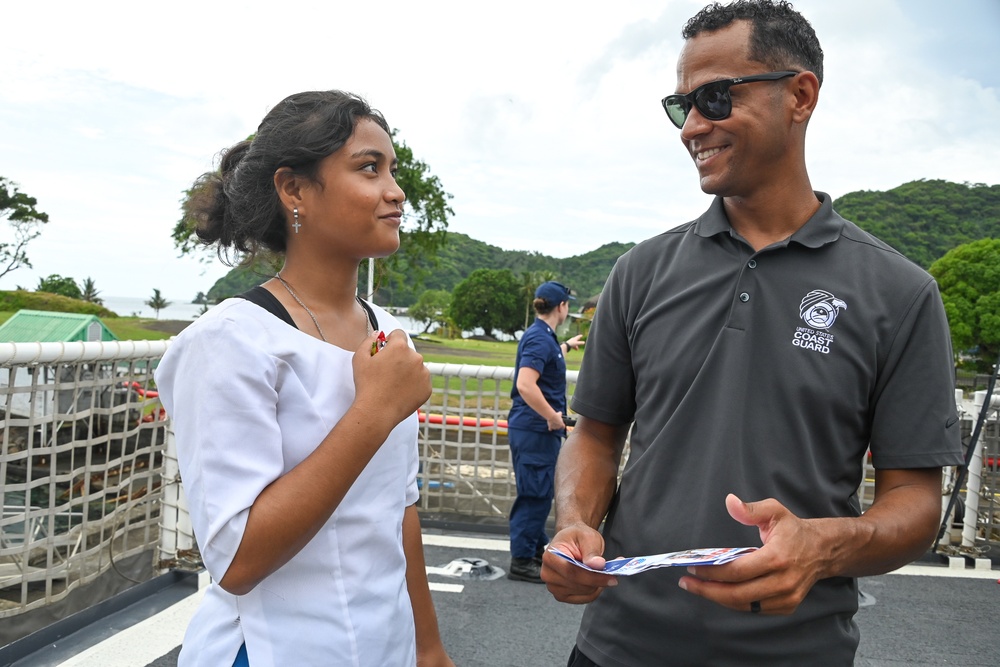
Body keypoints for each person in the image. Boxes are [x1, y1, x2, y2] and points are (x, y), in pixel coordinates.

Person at [541, 2, 964, 666]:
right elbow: (594, 432)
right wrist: (575, 523)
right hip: (617, 646)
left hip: (797, 651)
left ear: (800, 95)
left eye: (715, 97)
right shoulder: (642, 272)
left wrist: (822, 544)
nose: (694, 127)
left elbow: (914, 499)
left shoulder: (900, 293)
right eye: (682, 106)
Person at [154, 91, 454, 667]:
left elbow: (402, 507)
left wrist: (428, 644)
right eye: (370, 168)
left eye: (393, 170)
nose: (396, 191)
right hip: (272, 650)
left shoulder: (388, 334)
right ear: (294, 190)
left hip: (384, 648)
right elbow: (236, 561)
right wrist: (373, 412)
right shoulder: (230, 341)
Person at [506, 281, 584, 583]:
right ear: (561, 307)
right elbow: (526, 384)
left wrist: (566, 346)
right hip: (537, 429)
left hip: (535, 429)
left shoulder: (544, 337)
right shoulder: (540, 339)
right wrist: (552, 417)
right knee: (534, 494)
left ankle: (535, 549)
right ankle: (522, 559)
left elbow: (545, 359)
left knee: (539, 492)